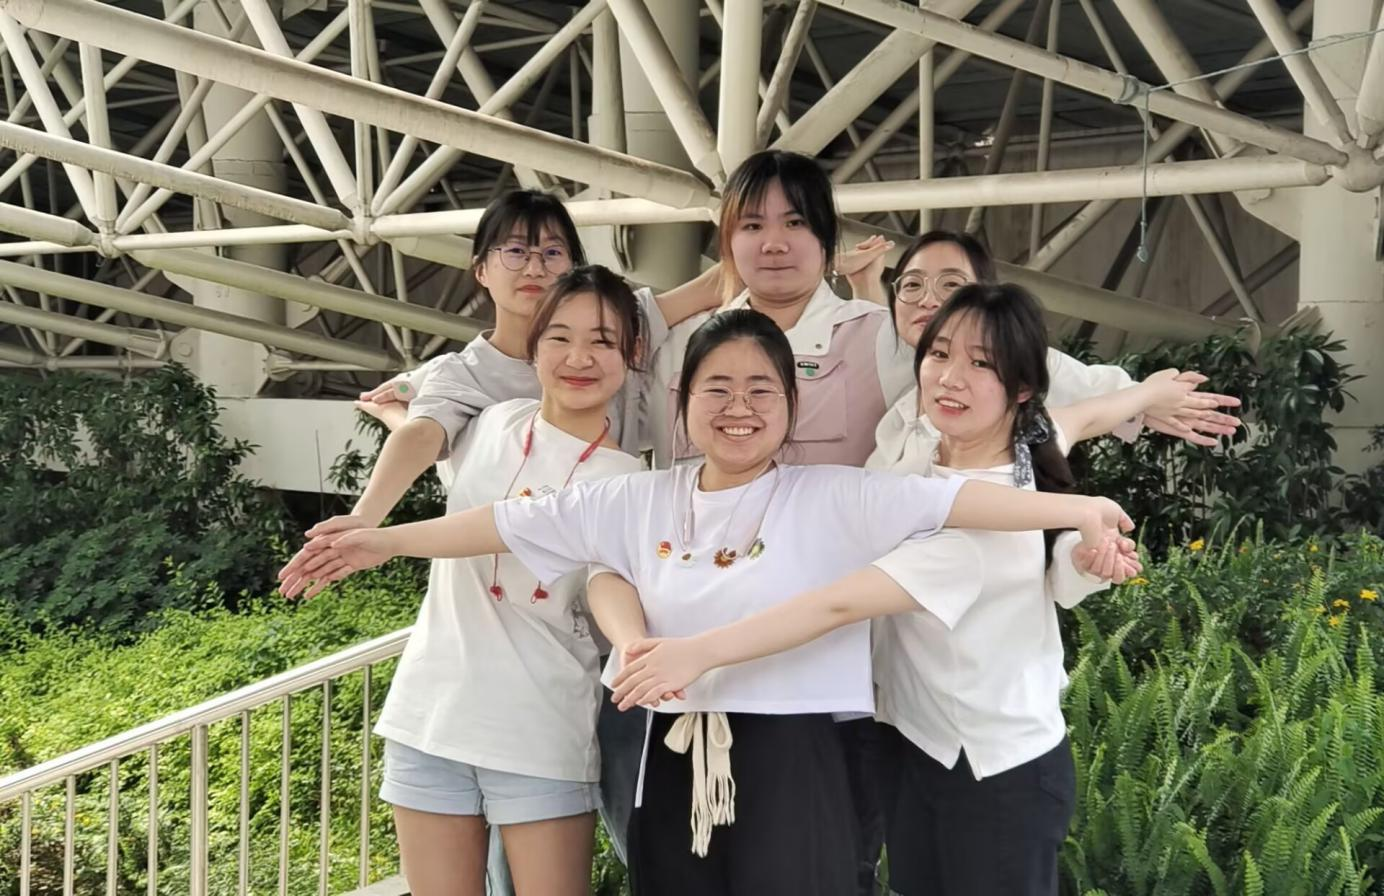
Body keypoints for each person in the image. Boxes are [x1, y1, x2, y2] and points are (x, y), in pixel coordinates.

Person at [280, 308, 1138, 896]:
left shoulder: (834, 494)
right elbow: (510, 521)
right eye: (716, 388)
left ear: (791, 406)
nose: (738, 407)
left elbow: (960, 503)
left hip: (800, 763)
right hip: (670, 755)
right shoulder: (640, 496)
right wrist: (380, 539)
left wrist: (1082, 508)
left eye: (762, 389)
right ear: (683, 404)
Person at [605, 283, 1191, 896]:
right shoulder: (932, 451)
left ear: (1021, 388)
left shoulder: (978, 520)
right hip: (911, 746)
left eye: (982, 363)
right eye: (939, 354)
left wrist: (698, 652)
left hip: (994, 766)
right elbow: (1080, 417)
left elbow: (838, 604)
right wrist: (1151, 394)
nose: (950, 378)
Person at [333, 267, 647, 896]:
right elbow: (438, 449)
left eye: (603, 341)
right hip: (429, 717)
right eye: (559, 337)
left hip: (539, 730)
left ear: (630, 355)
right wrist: (394, 410)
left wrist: (384, 540)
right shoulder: (494, 421)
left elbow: (539, 540)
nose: (578, 357)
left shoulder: (628, 483)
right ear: (533, 346)